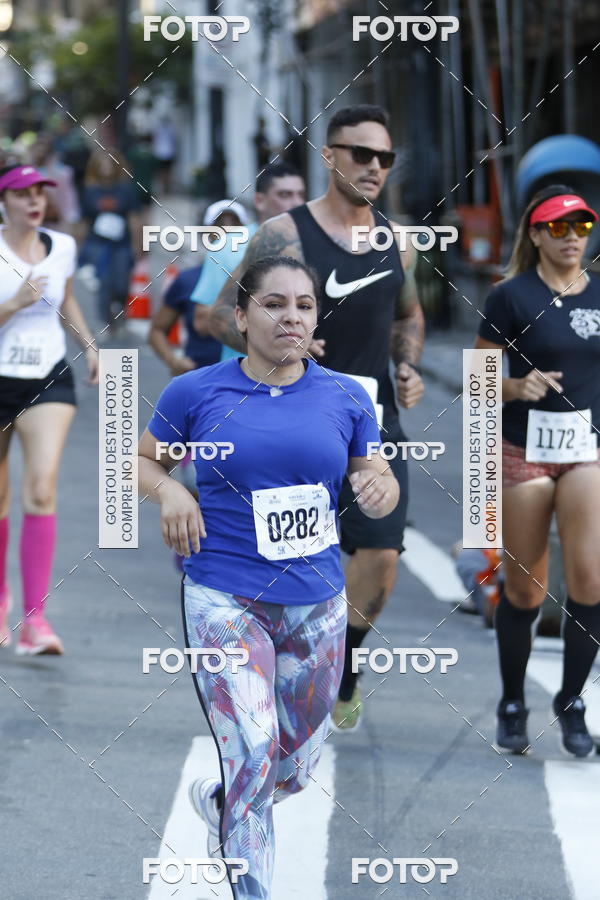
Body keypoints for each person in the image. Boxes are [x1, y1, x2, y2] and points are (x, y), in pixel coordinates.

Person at [138, 256, 399, 899]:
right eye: (274, 304)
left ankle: (224, 801)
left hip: (316, 605)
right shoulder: (196, 393)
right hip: (224, 595)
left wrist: (376, 489)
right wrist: (172, 495)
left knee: (291, 772)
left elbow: (381, 479)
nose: (291, 317)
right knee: (253, 754)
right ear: (241, 316)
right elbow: (141, 463)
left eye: (305, 306)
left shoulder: (345, 396)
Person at [209, 105, 425, 731]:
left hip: (373, 423)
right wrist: (285, 337)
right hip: (296, 420)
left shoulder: (399, 240)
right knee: (291, 556)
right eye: (362, 154)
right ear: (330, 157)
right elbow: (223, 315)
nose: (375, 168)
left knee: (381, 556)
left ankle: (346, 663)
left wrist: (407, 363)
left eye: (385, 158)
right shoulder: (284, 234)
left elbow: (408, 315)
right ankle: (279, 665)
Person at [475, 185, 600, 757]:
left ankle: (571, 703)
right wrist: (513, 386)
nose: (571, 238)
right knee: (525, 589)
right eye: (558, 228)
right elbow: (478, 382)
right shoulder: (510, 297)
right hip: (524, 449)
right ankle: (512, 702)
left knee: (591, 578)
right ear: (535, 233)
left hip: (585, 451)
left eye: (581, 227)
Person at [0, 164, 99, 654]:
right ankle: (0, 598)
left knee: (41, 486)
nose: (34, 201)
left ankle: (35, 621)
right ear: (5, 201)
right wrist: (13, 304)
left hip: (46, 377)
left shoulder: (62, 246)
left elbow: (68, 300)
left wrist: (89, 343)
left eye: (40, 193)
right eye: (23, 194)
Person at [193, 165, 306, 358]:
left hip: (308, 377)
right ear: (259, 201)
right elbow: (203, 321)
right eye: (285, 195)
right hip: (245, 377)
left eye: (300, 195)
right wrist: (277, 349)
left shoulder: (316, 242)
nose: (296, 203)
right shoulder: (228, 245)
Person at [79, 149, 140, 334]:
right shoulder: (90, 191)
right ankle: (108, 321)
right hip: (98, 244)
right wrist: (79, 245)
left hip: (121, 244)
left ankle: (121, 308)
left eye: (110, 164)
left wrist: (138, 243)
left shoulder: (125, 189)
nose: (106, 168)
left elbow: (134, 217)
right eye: (102, 164)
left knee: (121, 283)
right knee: (104, 282)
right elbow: (83, 220)